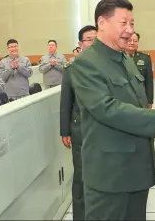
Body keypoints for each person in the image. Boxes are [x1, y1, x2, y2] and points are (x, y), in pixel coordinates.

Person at [70, 0, 155, 220]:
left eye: (132, 23)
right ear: (102, 22)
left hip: (136, 168)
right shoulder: (86, 63)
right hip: (110, 175)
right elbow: (105, 108)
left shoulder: (125, 58)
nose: (129, 30)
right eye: (124, 23)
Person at [60, 25, 97, 220]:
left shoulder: (107, 65)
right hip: (80, 129)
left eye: (96, 38)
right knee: (81, 176)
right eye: (89, 39)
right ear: (81, 44)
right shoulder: (71, 68)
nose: (93, 42)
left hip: (104, 129)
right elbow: (66, 102)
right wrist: (65, 131)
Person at [125, 32, 154, 108]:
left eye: (135, 41)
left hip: (141, 98)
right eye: (129, 40)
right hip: (123, 97)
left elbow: (149, 81)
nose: (132, 43)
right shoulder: (118, 57)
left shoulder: (145, 58)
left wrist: (150, 100)